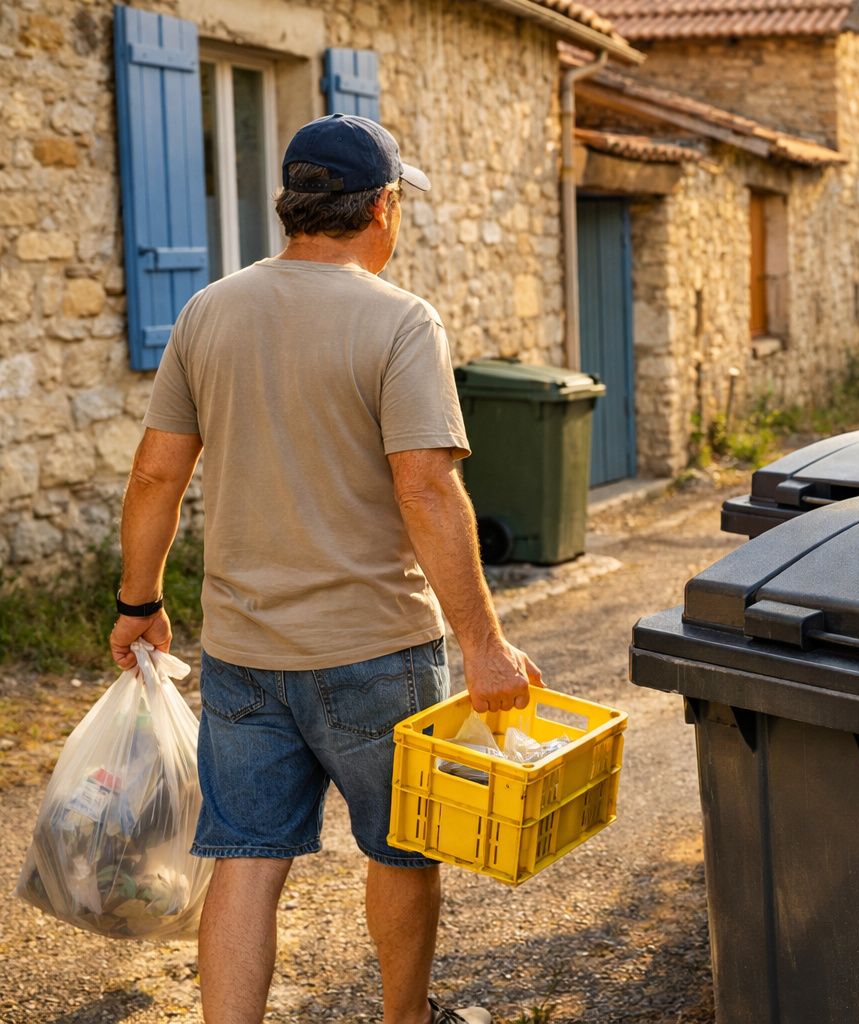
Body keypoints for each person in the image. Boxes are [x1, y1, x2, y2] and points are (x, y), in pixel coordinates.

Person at [108, 113, 539, 1024]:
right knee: (401, 851)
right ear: (381, 207)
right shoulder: (401, 320)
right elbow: (426, 492)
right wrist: (485, 644)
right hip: (376, 651)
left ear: (293, 207)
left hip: (244, 653)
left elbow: (154, 474)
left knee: (246, 860)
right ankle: (403, 1019)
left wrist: (137, 601)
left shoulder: (207, 311)